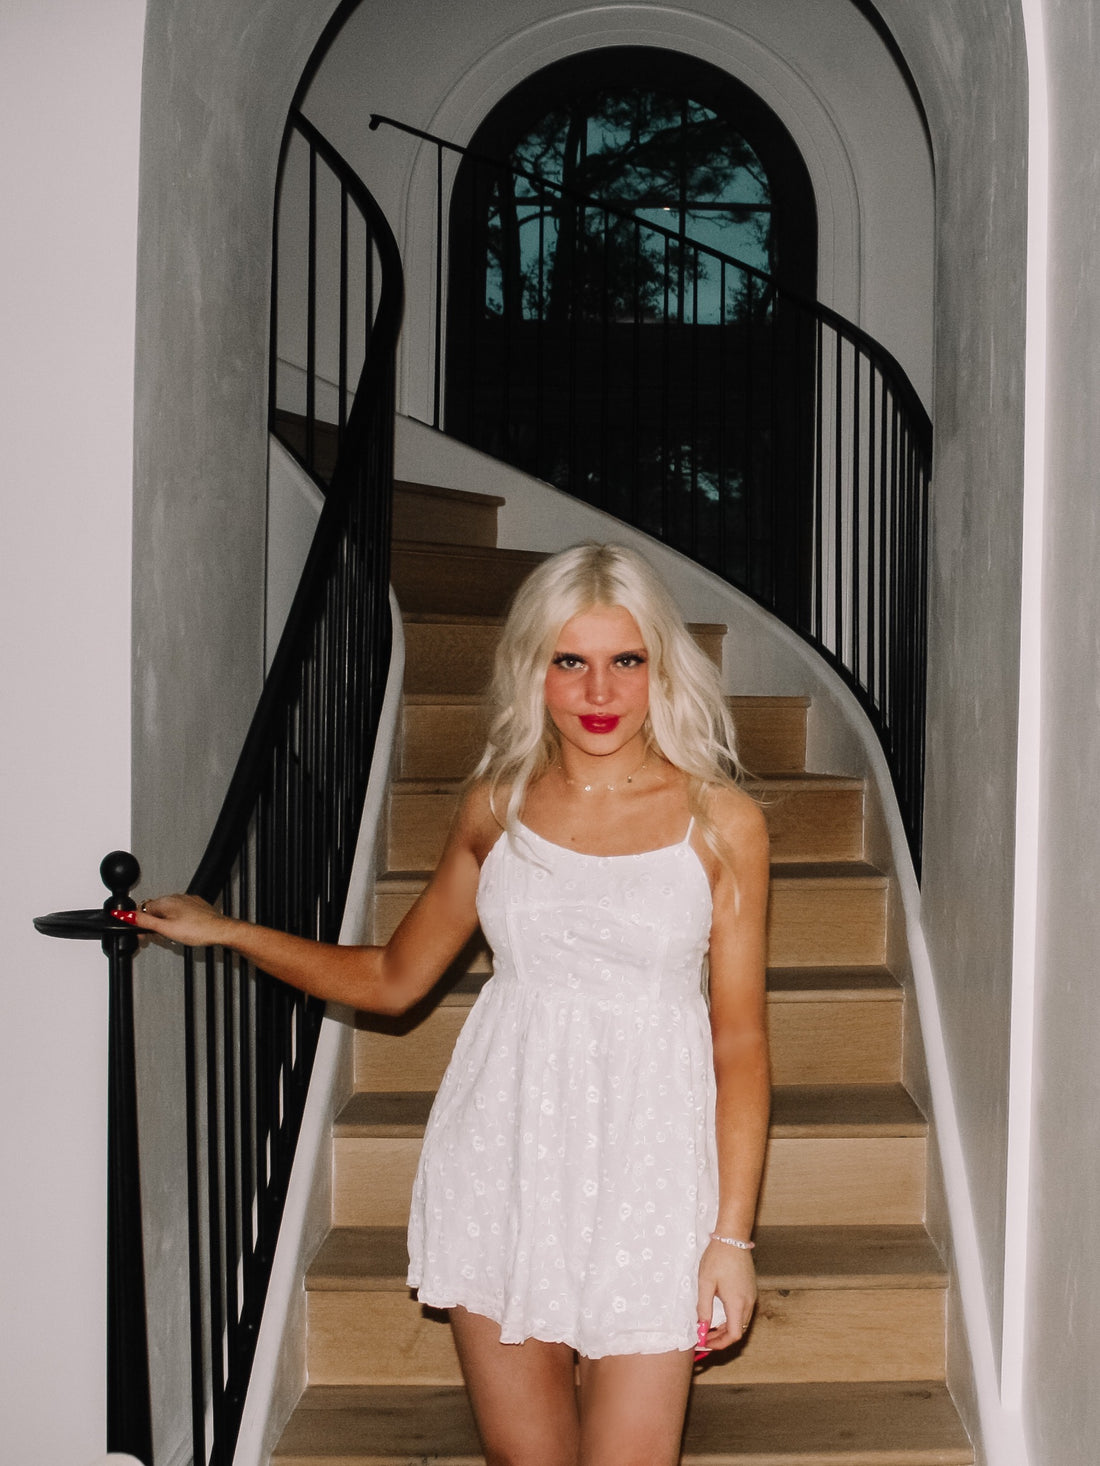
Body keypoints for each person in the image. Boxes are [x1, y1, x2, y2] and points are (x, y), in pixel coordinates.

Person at [129, 542, 770, 1466]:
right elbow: (394, 979)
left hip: (651, 1172)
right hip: (501, 1161)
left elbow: (739, 1044)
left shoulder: (722, 822)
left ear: (661, 668)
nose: (599, 691)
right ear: (532, 669)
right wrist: (230, 932)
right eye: (570, 660)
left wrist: (731, 1237)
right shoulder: (494, 809)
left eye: (626, 660)